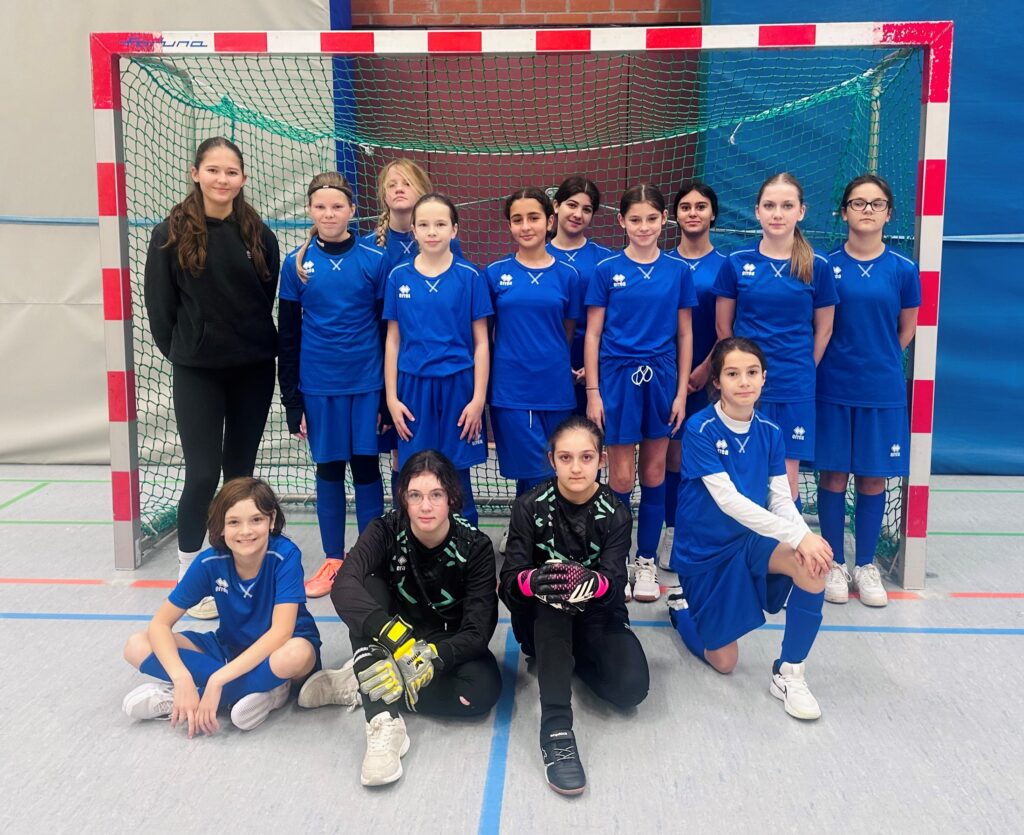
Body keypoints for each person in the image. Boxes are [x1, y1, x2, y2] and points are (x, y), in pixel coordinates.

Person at [298, 450, 501, 787]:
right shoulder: (385, 530)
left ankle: (364, 682)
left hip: (440, 646)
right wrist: (394, 637)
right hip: (391, 638)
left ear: (451, 497)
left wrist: (430, 659)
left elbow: (478, 632)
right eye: (415, 496)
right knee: (365, 585)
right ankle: (382, 719)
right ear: (403, 498)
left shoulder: (475, 546)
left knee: (481, 694)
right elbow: (344, 586)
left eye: (436, 495)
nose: (425, 507)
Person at [144, 137, 281, 621]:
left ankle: (241, 569)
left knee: (239, 474)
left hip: (253, 371)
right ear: (196, 173)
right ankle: (189, 576)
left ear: (242, 179)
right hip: (198, 373)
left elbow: (263, 298)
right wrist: (192, 351)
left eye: (232, 171)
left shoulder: (260, 236)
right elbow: (161, 315)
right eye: (214, 170)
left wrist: (244, 347)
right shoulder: (168, 235)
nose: (223, 179)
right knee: (202, 473)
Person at [669, 338, 833, 720]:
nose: (743, 381)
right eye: (732, 373)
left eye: (752, 372)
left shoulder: (771, 432)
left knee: (812, 563)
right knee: (725, 661)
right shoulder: (700, 429)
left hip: (748, 541)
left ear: (763, 378)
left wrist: (805, 538)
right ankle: (682, 611)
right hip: (704, 552)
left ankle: (789, 672)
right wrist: (797, 536)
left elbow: (779, 498)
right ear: (717, 382)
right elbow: (729, 501)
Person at [499, 415, 649, 795]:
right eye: (566, 458)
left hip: (599, 616)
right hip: (541, 619)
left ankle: (569, 662)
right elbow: (507, 587)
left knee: (631, 690)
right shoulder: (528, 507)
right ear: (552, 461)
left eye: (585, 457)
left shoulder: (616, 512)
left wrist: (590, 582)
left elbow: (616, 588)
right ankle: (556, 728)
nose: (576, 467)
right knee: (555, 594)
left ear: (601, 460)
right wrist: (533, 581)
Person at [121, 478, 320, 734]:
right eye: (234, 522)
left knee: (296, 654)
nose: (246, 531)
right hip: (229, 648)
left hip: (281, 650)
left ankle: (191, 699)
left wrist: (216, 681)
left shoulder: (285, 555)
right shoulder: (209, 562)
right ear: (221, 527)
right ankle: (263, 691)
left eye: (256, 520)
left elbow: (281, 633)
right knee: (137, 645)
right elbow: (160, 623)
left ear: (271, 521)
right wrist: (181, 678)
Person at [584, 184, 696, 602]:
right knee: (619, 477)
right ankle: (613, 563)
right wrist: (594, 391)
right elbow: (592, 334)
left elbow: (685, 333)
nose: (644, 226)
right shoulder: (605, 270)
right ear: (622, 222)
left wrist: (682, 390)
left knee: (653, 474)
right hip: (616, 378)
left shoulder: (677, 270)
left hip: (663, 376)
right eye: (635, 219)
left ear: (663, 220)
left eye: (651, 218)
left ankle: (645, 562)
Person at [278, 172, 388, 599]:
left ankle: (370, 559)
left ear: (352, 211)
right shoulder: (297, 265)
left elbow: (384, 330)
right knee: (328, 469)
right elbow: (287, 337)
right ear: (309, 210)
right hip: (318, 386)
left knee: (365, 466)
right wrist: (292, 399)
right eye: (320, 206)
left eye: (337, 206)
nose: (329, 213)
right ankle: (333, 560)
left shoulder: (373, 260)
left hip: (366, 384)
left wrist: (385, 397)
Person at [816, 175, 921, 607]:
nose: (867, 210)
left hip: (881, 389)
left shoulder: (902, 269)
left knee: (874, 477)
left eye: (876, 204)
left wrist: (877, 359)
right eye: (858, 203)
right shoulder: (825, 265)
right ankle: (836, 564)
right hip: (833, 385)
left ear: (888, 213)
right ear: (843, 212)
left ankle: (866, 566)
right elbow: (818, 324)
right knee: (834, 474)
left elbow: (907, 327)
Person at [713, 172, 838, 508]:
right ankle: (742, 554)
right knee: (741, 472)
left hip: (793, 385)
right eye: (769, 205)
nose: (777, 213)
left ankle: (784, 557)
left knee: (786, 476)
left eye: (786, 205)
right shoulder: (737, 262)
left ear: (801, 211)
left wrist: (802, 368)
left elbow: (823, 329)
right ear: (757, 211)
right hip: (745, 386)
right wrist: (739, 373)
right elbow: (724, 328)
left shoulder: (817, 265)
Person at [383, 193, 491, 526]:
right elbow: (393, 340)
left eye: (440, 224)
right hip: (412, 389)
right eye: (425, 224)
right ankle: (413, 549)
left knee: (457, 474)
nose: (432, 231)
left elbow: (482, 343)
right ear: (413, 230)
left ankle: (468, 552)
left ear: (454, 230)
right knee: (415, 471)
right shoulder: (398, 276)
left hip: (459, 387)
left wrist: (477, 400)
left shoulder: (471, 276)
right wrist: (391, 398)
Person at [362, 159, 464, 503]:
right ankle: (400, 524)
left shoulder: (444, 245)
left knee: (435, 451)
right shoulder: (371, 246)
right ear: (383, 195)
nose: (399, 189)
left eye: (407, 183)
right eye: (392, 184)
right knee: (397, 449)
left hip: (428, 365)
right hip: (384, 362)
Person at [486, 187, 581, 498]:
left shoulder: (568, 275)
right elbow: (485, 334)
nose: (525, 226)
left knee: (554, 468)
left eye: (533, 218)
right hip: (511, 390)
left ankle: (530, 535)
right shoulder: (495, 274)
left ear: (550, 221)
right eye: (517, 219)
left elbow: (566, 331)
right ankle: (527, 536)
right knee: (532, 470)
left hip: (555, 388)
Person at [659, 180, 728, 570]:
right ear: (675, 216)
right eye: (685, 207)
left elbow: (728, 327)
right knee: (671, 457)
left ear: (713, 214)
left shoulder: (726, 265)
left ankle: (701, 532)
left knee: (702, 458)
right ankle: (671, 529)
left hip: (711, 377)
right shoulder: (663, 263)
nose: (693, 213)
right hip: (668, 376)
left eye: (701, 206)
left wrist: (705, 368)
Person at [547, 176, 612, 417]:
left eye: (586, 209)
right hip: (550, 364)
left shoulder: (606, 260)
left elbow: (615, 318)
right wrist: (559, 364)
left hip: (598, 362)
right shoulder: (536, 257)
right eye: (572, 205)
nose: (578, 214)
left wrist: (596, 365)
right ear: (556, 206)